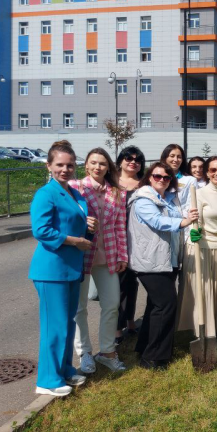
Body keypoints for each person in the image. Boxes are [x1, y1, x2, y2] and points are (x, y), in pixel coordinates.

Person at [29, 140, 93, 396]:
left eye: (69, 165)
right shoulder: (45, 194)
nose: (65, 169)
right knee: (53, 325)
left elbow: (73, 222)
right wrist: (74, 240)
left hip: (71, 267)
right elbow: (41, 230)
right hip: (51, 269)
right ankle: (47, 380)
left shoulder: (74, 193)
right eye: (59, 165)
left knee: (67, 322)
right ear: (49, 165)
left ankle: (64, 368)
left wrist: (89, 227)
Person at [130, 162, 199, 369]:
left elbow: (176, 216)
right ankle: (154, 357)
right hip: (150, 262)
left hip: (165, 261)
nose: (161, 180)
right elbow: (157, 222)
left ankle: (144, 348)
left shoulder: (163, 199)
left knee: (155, 306)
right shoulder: (143, 199)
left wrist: (188, 217)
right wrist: (183, 223)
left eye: (166, 177)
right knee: (166, 305)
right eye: (157, 176)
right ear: (149, 177)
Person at [69, 148, 128, 374]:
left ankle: (107, 351)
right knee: (79, 308)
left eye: (102, 164)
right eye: (93, 163)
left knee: (112, 304)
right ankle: (84, 353)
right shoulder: (76, 188)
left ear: (108, 167)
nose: (97, 167)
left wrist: (123, 255)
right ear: (86, 166)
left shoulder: (117, 193)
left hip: (109, 255)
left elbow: (119, 226)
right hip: (82, 254)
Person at [178, 156, 217, 337]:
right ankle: (202, 332)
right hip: (203, 247)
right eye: (213, 170)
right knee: (204, 291)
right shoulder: (199, 193)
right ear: (207, 173)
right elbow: (194, 220)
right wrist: (194, 231)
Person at [115, 146, 145, 344]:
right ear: (120, 161)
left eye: (137, 159)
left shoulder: (143, 184)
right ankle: (117, 329)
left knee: (133, 283)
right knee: (119, 285)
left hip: (138, 239)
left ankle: (131, 321)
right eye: (128, 158)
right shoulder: (111, 182)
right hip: (116, 239)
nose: (132, 161)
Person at [160, 144, 196, 209]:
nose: (176, 159)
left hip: (182, 218)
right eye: (172, 156)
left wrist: (184, 219)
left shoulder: (190, 180)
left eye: (179, 157)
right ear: (165, 158)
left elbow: (190, 204)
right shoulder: (157, 178)